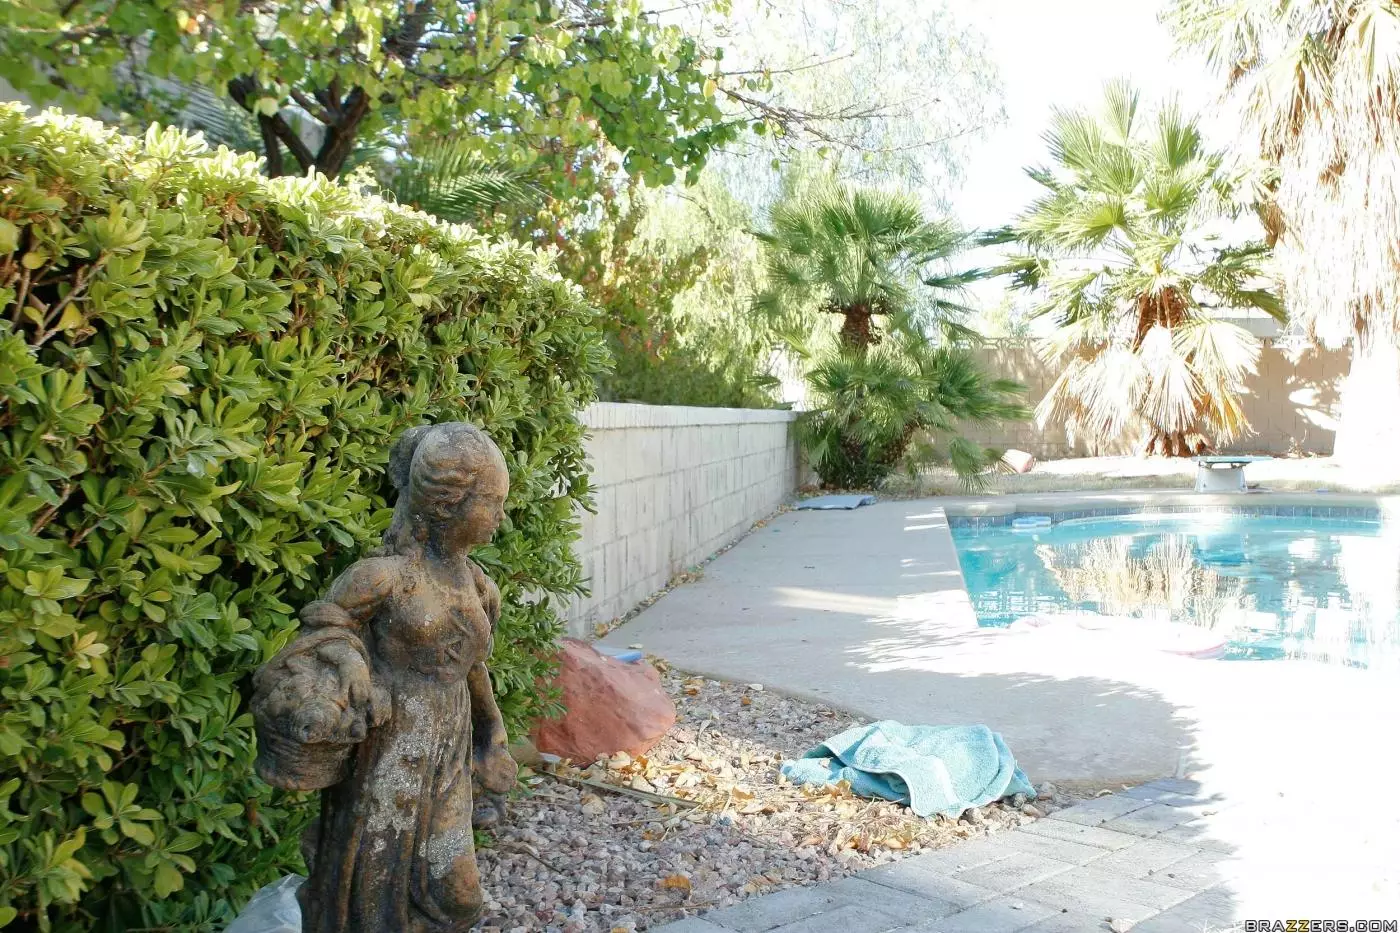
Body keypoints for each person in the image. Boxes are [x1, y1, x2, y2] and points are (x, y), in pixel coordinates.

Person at [252, 423, 517, 933]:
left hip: (447, 747)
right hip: (389, 748)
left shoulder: (480, 586)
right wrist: (352, 663)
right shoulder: (385, 576)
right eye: (492, 503)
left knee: (459, 898)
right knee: (372, 890)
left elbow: (473, 670)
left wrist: (492, 735)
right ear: (446, 504)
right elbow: (325, 628)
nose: (500, 516)